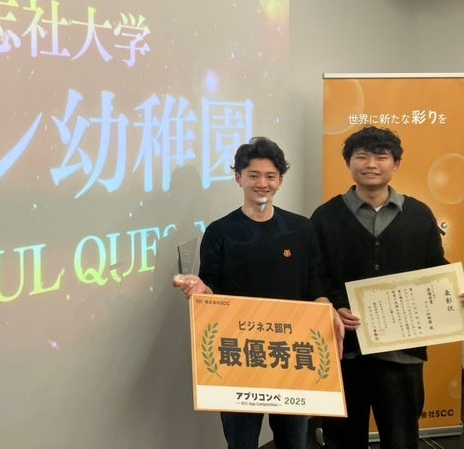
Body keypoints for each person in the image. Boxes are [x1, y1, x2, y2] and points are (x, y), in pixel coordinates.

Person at [173, 137, 341, 449]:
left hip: (292, 353)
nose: (262, 183)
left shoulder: (301, 229)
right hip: (238, 354)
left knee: (294, 440)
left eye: (270, 176)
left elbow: (315, 281)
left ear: (280, 180)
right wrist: (201, 290)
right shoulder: (220, 231)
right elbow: (213, 288)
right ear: (238, 178)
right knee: (241, 441)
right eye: (253, 175)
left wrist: (324, 308)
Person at [311, 126, 464, 449]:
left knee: (401, 438)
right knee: (342, 439)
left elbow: (434, 266)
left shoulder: (419, 214)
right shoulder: (325, 217)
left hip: (402, 353)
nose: (371, 164)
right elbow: (315, 274)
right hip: (345, 351)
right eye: (362, 156)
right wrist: (334, 305)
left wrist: (455, 289)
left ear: (396, 164)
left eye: (381, 156)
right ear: (348, 163)